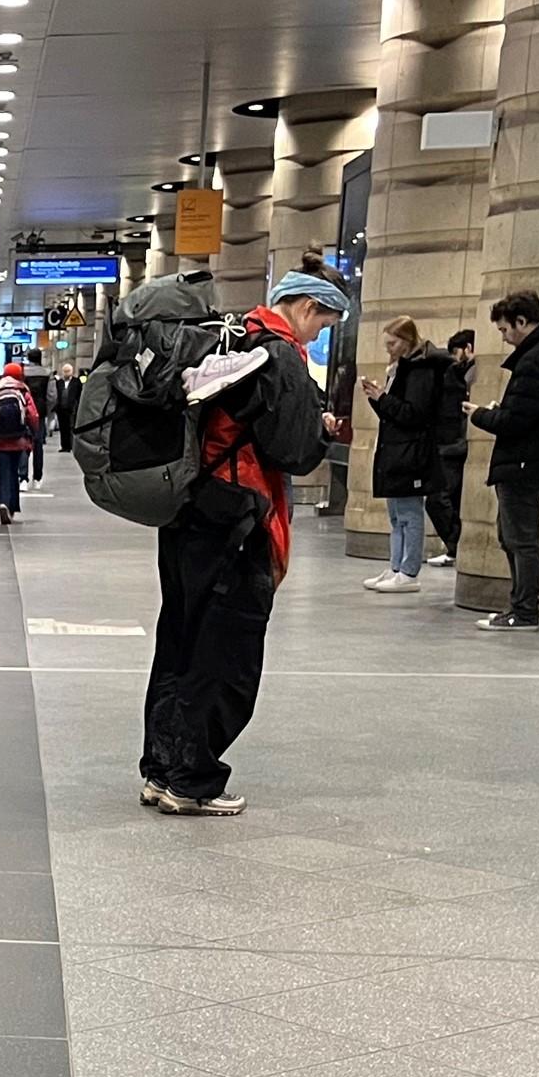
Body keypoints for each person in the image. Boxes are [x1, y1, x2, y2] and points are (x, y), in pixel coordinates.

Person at [139, 268, 346, 817]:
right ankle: (193, 779)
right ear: (305, 306)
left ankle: (161, 770)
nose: (319, 334)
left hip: (187, 508)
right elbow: (295, 450)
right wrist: (323, 426)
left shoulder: (227, 336)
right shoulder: (278, 354)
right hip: (237, 517)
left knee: (180, 640)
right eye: (323, 322)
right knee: (225, 652)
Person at [465, 290, 539, 632]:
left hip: (524, 461)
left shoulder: (535, 360)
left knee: (520, 537)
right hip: (537, 458)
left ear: (522, 322)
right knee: (514, 535)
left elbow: (518, 421)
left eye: (505, 330)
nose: (503, 338)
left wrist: (481, 415)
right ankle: (519, 608)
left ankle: (523, 611)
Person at [362, 315, 459, 594]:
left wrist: (383, 398)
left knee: (409, 513)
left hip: (412, 451)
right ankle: (395, 566)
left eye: (392, 343)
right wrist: (377, 398)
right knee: (396, 514)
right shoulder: (402, 369)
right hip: (397, 447)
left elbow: (413, 414)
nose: (389, 349)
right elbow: (395, 413)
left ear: (406, 341)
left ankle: (408, 570)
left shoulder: (421, 371)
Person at [429, 329, 475, 564]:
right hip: (453, 445)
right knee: (448, 498)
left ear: (468, 348)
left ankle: (455, 545)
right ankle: (454, 546)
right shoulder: (459, 374)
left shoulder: (463, 375)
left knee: (440, 498)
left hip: (454, 445)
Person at [0, 361, 39, 526]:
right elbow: (33, 415)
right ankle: (12, 506)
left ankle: (3, 502)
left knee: (3, 472)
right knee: (15, 471)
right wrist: (33, 434)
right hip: (19, 439)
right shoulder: (22, 390)